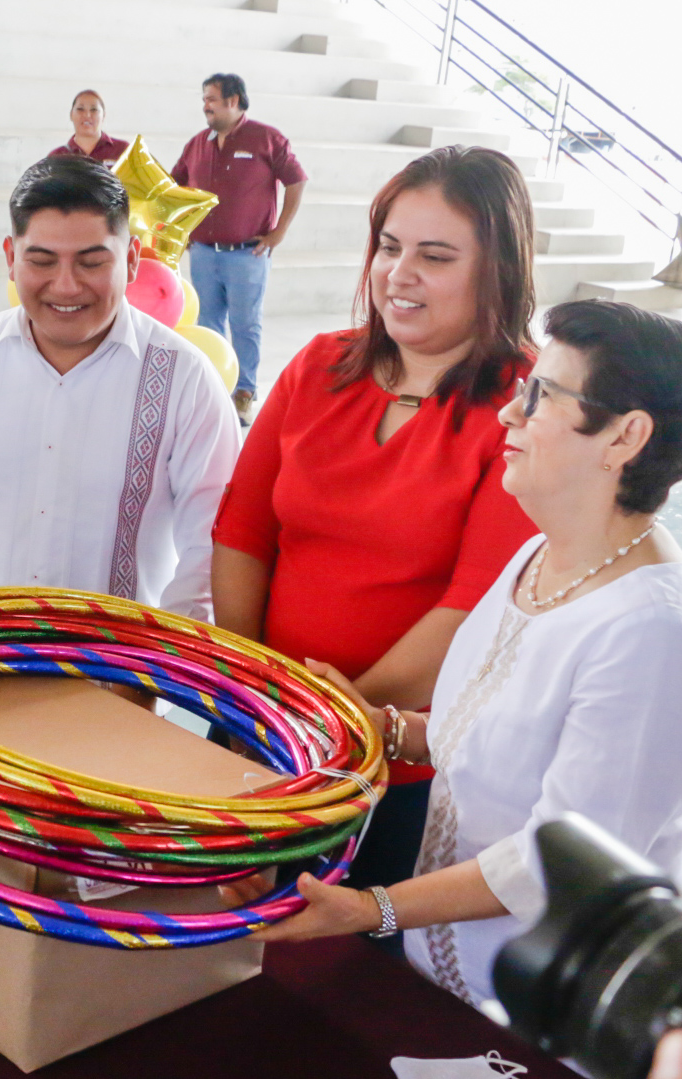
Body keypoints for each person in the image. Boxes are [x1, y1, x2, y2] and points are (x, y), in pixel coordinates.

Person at [252, 300, 682, 1012]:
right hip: (446, 967)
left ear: (625, 436)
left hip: (549, 1000)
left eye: (541, 396)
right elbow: (492, 735)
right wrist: (376, 722)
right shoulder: (539, 554)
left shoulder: (652, 635)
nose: (508, 416)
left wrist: (369, 910)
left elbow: (560, 860)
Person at [211, 146, 540, 895]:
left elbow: (471, 606)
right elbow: (241, 531)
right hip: (256, 720)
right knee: (213, 933)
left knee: (341, 974)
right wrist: (248, 686)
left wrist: (338, 718)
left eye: (434, 255)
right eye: (388, 247)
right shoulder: (319, 364)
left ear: (496, 269)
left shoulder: (523, 406)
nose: (398, 273)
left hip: (393, 760)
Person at [0, 155, 238, 619]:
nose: (65, 286)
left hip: (124, 677)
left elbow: (210, 552)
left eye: (92, 262)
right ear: (10, 258)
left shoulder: (185, 379)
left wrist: (158, 672)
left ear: (133, 259)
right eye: (41, 261)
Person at [173, 73, 308, 422]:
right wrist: (182, 230)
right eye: (204, 98)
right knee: (207, 324)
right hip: (203, 253)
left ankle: (244, 392)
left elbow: (296, 181)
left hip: (248, 254)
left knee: (246, 324)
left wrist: (279, 232)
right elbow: (175, 187)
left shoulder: (266, 138)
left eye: (211, 99)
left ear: (233, 101)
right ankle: (214, 389)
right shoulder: (197, 144)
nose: (205, 105)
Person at [48, 89, 128, 165]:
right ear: (71, 115)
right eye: (80, 109)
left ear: (103, 115)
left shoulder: (123, 150)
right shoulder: (57, 157)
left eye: (94, 109)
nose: (87, 115)